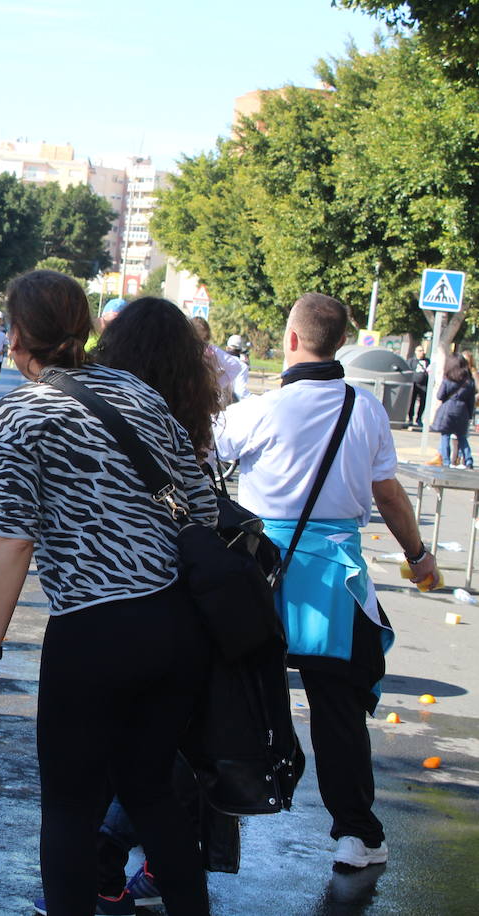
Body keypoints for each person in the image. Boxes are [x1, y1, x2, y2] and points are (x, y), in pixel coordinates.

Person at [0, 269, 216, 915]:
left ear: (17, 335)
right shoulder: (134, 391)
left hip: (93, 632)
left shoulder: (20, 411)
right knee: (150, 790)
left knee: (69, 806)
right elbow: (202, 505)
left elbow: (12, 540)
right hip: (174, 625)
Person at [216, 292, 435, 872]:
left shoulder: (258, 411)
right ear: (341, 343)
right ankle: (357, 834)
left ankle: (201, 827)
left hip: (258, 579)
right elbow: (388, 495)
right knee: (337, 713)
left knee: (227, 703)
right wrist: (418, 556)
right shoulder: (365, 410)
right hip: (334, 586)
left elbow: (200, 465)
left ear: (291, 340)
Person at [79, 296, 224, 909]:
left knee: (110, 762)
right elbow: (207, 512)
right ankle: (165, 880)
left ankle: (97, 869)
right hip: (184, 612)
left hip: (108, 609)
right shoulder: (193, 419)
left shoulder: (96, 412)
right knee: (159, 761)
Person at [429, 354, 475, 468]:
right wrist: (469, 415)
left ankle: (446, 461)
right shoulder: (469, 382)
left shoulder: (448, 379)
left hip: (448, 411)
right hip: (462, 411)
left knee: (445, 436)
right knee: (462, 437)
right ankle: (468, 460)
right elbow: (471, 401)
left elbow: (440, 396)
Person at [191, 316, 249, 406]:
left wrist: (216, 384)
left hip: (201, 399)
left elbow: (235, 366)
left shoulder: (210, 351)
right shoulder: (183, 350)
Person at [406, 344, 430, 430]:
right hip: (414, 384)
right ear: (416, 352)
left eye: (422, 350)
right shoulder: (411, 361)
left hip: (424, 385)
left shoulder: (428, 361)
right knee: (411, 402)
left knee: (423, 402)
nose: (421, 352)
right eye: (419, 351)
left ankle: (419, 418)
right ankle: (410, 418)